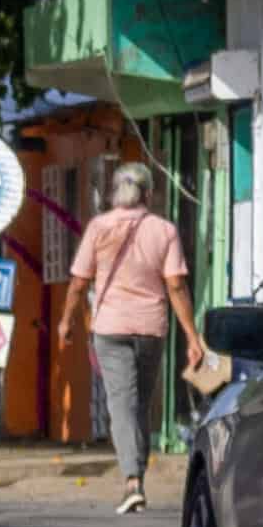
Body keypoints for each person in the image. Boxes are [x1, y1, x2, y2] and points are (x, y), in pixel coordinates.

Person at [63, 160, 199, 498]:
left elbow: (79, 283)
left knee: (122, 402)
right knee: (139, 401)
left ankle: (132, 480)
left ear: (114, 194)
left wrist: (67, 320)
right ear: (149, 194)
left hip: (109, 328)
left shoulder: (98, 228)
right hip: (151, 329)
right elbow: (176, 287)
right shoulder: (164, 231)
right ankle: (136, 470)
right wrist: (192, 337)